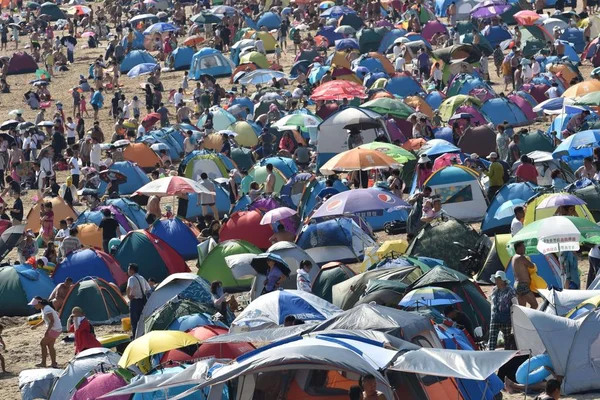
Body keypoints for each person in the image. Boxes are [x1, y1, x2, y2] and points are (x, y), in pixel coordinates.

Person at [29, 296, 61, 368]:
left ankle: (44, 363)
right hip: (57, 329)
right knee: (50, 346)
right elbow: (44, 320)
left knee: (43, 343)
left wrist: (47, 331)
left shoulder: (47, 309)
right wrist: (36, 326)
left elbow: (52, 321)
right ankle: (53, 363)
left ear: (39, 303)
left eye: (35, 304)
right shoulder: (43, 309)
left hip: (54, 329)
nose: (34, 306)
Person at [487, 271, 516, 351]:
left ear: (503, 280)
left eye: (498, 279)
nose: (496, 280)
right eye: (496, 279)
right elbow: (492, 303)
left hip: (506, 318)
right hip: (495, 317)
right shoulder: (494, 290)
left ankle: (506, 355)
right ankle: (490, 353)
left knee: (507, 338)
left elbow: (515, 304)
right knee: (492, 337)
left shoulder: (510, 290)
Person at [126, 263, 151, 338]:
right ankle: (142, 335)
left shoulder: (131, 278)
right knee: (141, 321)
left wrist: (128, 296)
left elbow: (129, 288)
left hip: (135, 301)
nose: (128, 271)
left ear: (132, 270)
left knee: (134, 322)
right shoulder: (141, 277)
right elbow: (148, 288)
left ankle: (135, 337)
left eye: (129, 269)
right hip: (142, 301)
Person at [512, 241, 538, 308]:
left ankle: (522, 318)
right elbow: (532, 265)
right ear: (518, 248)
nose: (524, 249)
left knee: (522, 308)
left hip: (517, 285)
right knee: (534, 305)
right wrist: (527, 258)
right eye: (523, 247)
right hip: (523, 285)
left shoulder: (514, 257)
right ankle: (529, 317)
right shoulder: (520, 257)